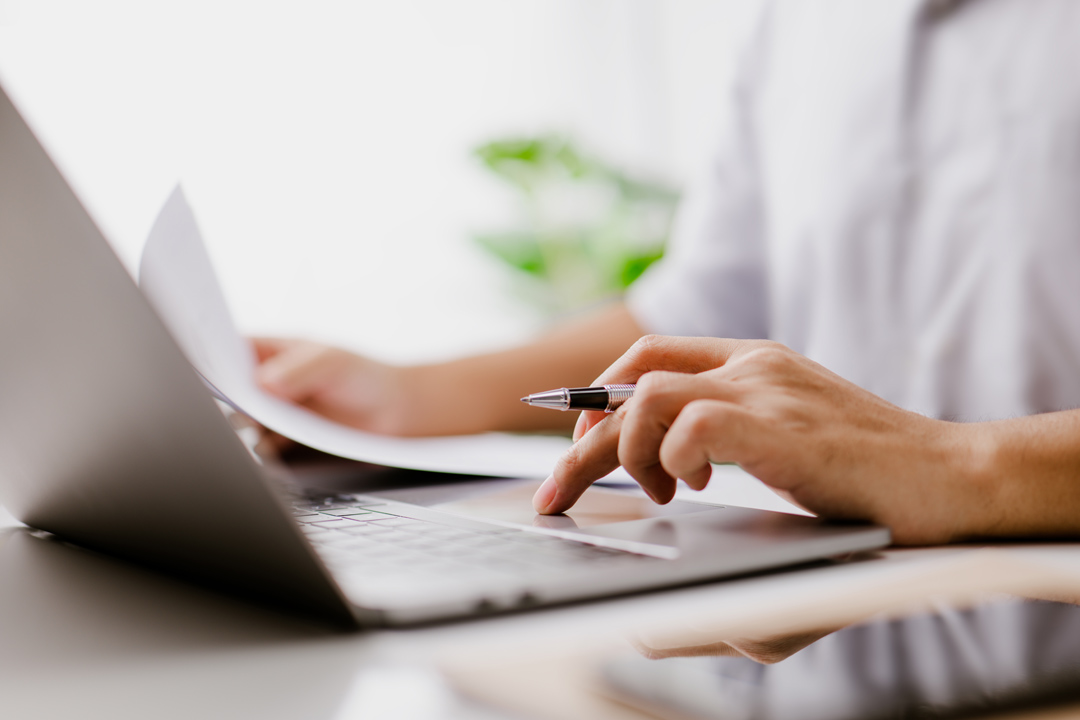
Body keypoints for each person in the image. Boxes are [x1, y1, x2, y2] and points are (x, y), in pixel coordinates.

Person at [254, 0, 1080, 544]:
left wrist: (953, 464)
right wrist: (413, 399)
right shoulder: (800, 23)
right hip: (838, 634)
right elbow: (699, 317)